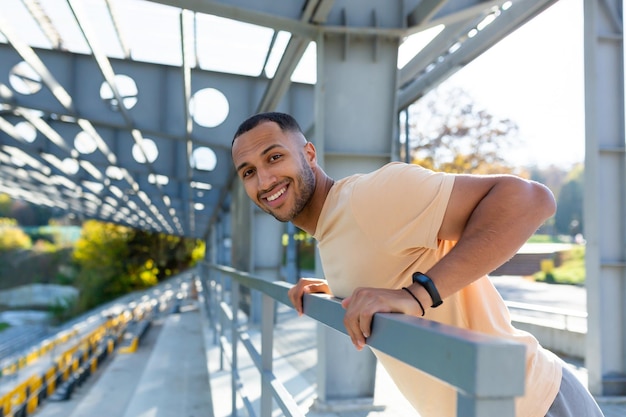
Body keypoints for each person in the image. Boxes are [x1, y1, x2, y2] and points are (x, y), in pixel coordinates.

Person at [230, 111, 604, 417]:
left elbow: (531, 200)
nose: (264, 179)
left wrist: (417, 294)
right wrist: (333, 292)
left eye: (274, 157)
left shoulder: (369, 196)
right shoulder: (334, 228)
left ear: (309, 154)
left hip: (535, 404)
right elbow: (390, 262)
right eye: (248, 171)